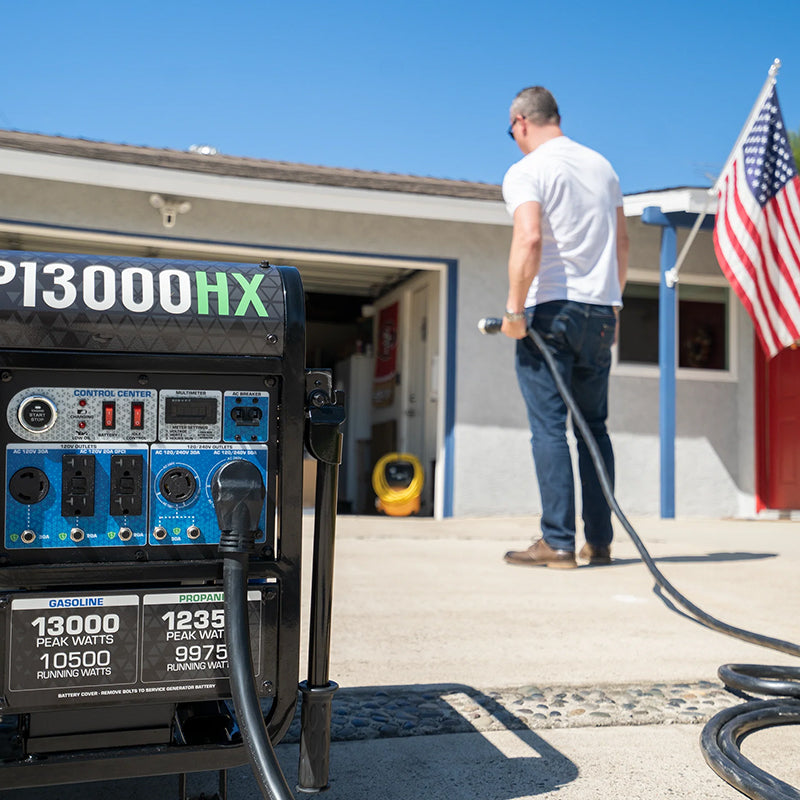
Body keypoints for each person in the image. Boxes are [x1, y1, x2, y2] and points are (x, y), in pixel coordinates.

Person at [500, 86, 629, 569]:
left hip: (551, 312)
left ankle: (557, 542)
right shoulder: (603, 166)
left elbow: (529, 238)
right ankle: (599, 542)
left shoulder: (527, 169)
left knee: (549, 429)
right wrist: (612, 306)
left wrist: (514, 312)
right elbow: (623, 244)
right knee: (594, 429)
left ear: (520, 122)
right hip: (600, 310)